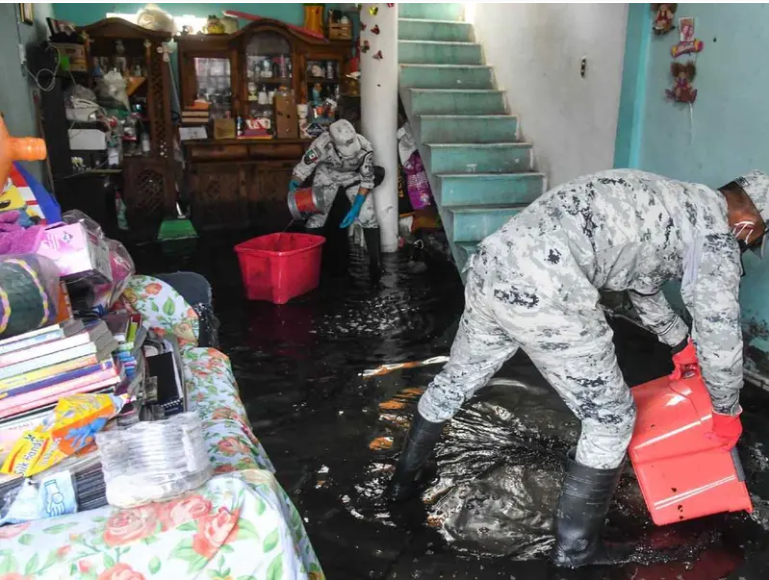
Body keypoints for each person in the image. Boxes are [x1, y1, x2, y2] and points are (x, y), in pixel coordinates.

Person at [387, 169, 769, 568]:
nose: (749, 244)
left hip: (495, 266)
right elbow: (720, 334)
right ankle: (576, 549)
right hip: (549, 290)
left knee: (459, 377)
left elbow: (642, 281)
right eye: (755, 237)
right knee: (611, 420)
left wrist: (678, 343)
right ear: (750, 220)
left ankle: (403, 481)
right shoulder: (715, 239)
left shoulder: (674, 196)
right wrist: (726, 410)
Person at [289, 119, 382, 280]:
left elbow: (367, 180)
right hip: (327, 175)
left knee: (368, 215)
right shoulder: (320, 145)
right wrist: (293, 189)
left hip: (354, 177)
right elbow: (303, 168)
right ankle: (311, 266)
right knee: (316, 217)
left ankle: (376, 267)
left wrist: (356, 207)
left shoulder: (365, 148)